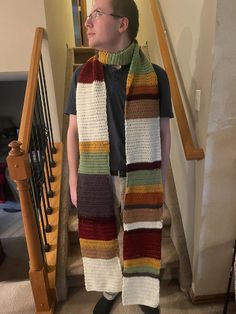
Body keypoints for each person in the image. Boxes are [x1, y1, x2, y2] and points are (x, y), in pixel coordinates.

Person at [65, 0, 173, 313]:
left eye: (96, 14)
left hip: (141, 176)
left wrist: (161, 179)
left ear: (122, 24)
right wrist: (73, 178)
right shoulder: (81, 77)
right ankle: (111, 289)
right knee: (103, 235)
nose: (88, 22)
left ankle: (140, 289)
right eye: (88, 16)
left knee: (140, 235)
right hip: (97, 175)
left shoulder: (155, 76)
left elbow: (164, 135)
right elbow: (72, 132)